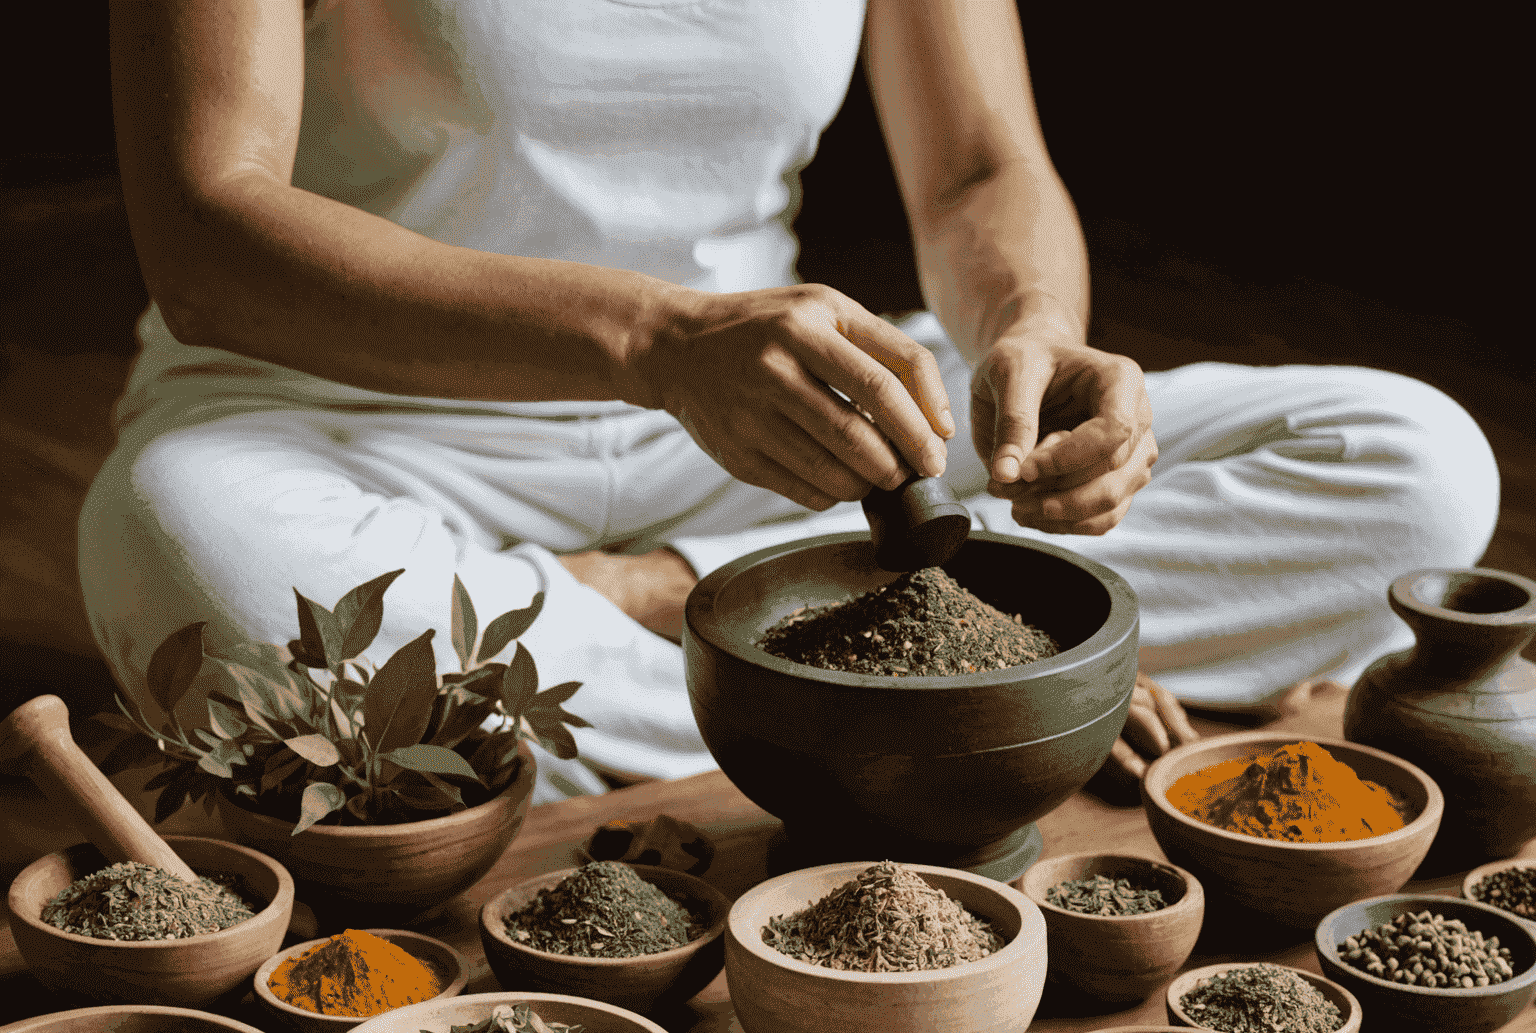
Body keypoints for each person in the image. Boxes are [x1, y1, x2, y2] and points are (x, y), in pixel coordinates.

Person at [82, 0, 1498, 800]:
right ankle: (959, 702)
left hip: (764, 425)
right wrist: (649, 338)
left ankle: (669, 617)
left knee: (1415, 467)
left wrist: (1033, 336)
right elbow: (210, 230)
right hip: (348, 422)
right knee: (193, 552)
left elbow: (977, 169)